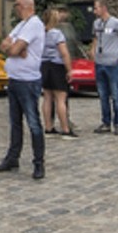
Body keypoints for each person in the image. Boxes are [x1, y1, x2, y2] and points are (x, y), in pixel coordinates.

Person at [0, 0, 47, 179]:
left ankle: (39, 163)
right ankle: (13, 157)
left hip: (28, 81)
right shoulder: (21, 25)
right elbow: (5, 45)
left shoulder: (34, 24)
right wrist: (15, 48)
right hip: (15, 79)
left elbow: (14, 49)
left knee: (33, 122)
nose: (15, 9)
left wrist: (16, 48)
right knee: (15, 122)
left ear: (24, 6)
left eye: (16, 5)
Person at [89, 0, 118, 135]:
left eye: (96, 8)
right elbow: (96, 38)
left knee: (115, 95)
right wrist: (92, 49)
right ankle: (106, 122)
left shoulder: (115, 23)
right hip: (99, 62)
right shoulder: (96, 23)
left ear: (103, 8)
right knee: (103, 95)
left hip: (112, 64)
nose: (94, 11)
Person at [40, 8, 77, 138]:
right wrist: (69, 70)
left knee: (47, 98)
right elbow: (64, 53)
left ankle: (48, 127)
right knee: (61, 98)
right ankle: (65, 129)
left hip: (44, 65)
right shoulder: (57, 34)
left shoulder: (41, 33)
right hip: (56, 66)